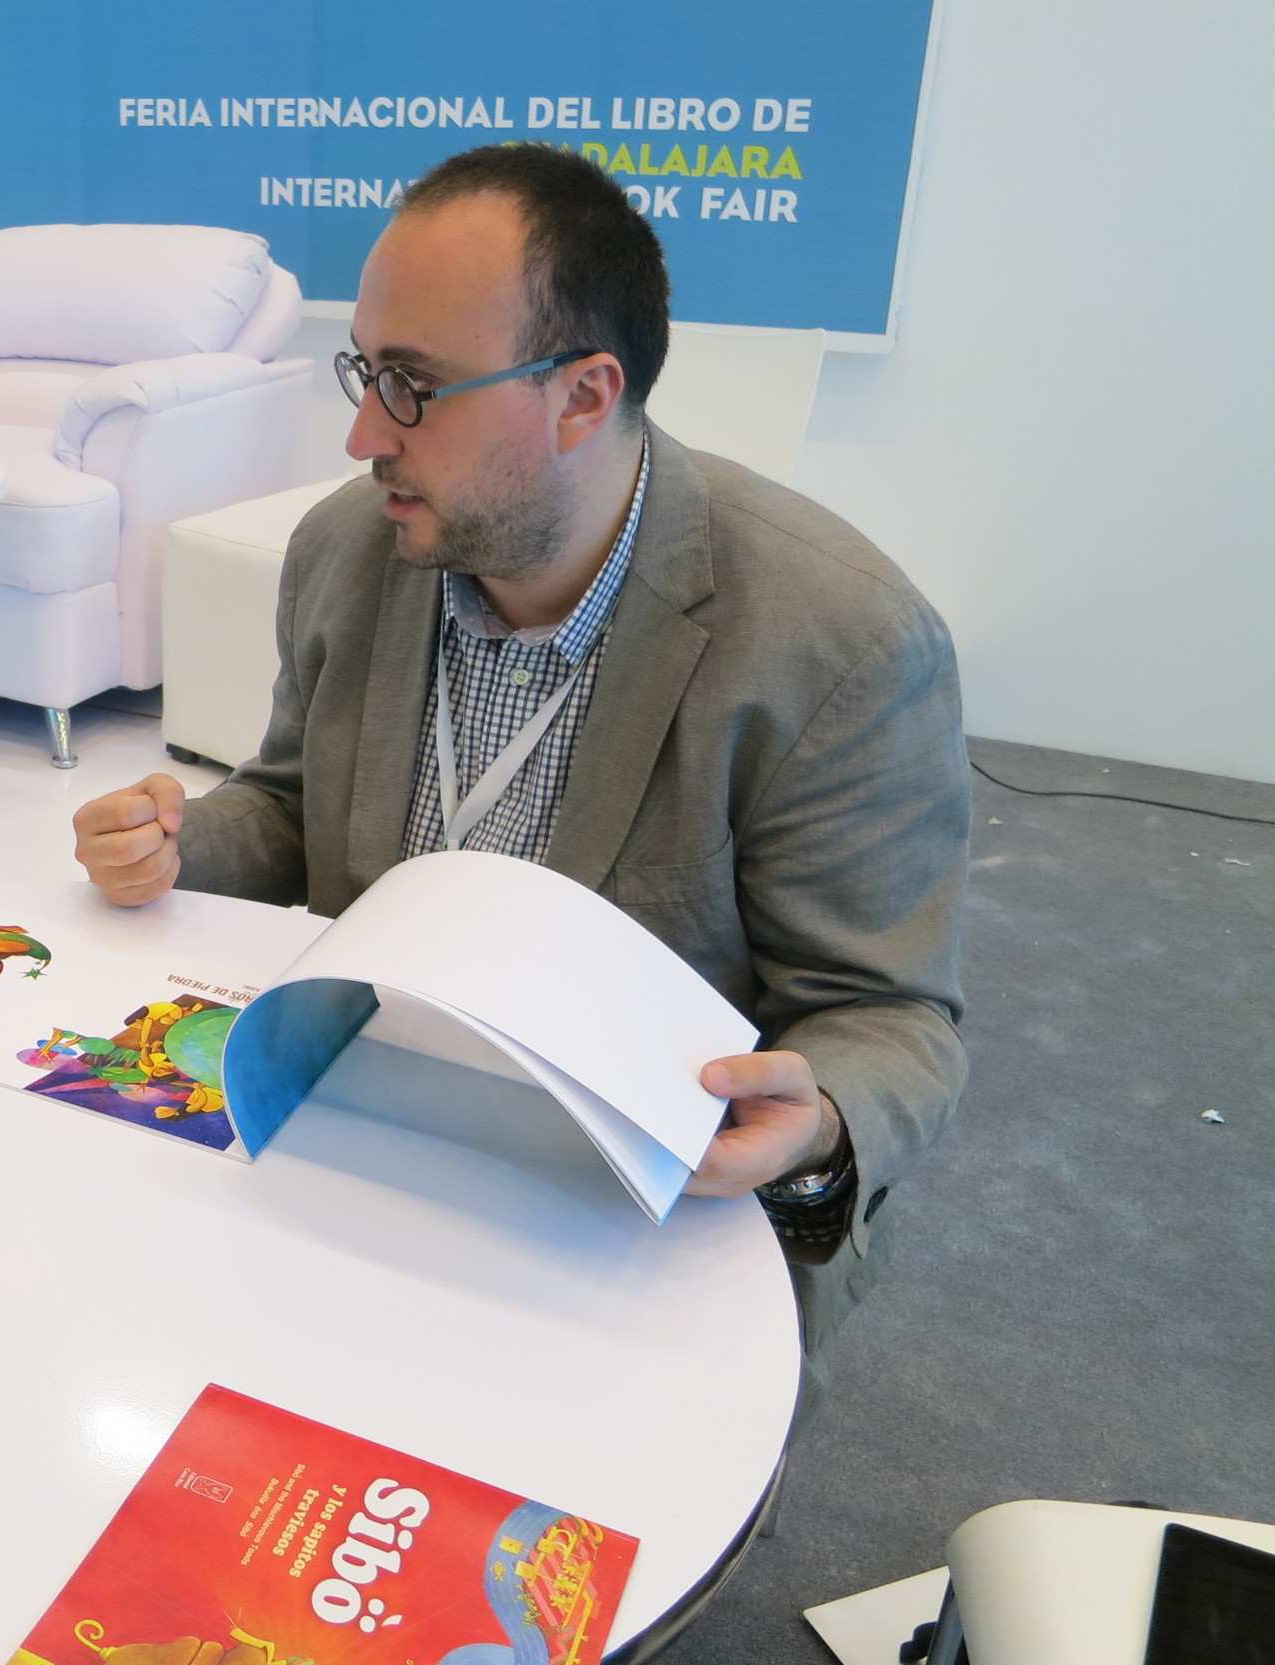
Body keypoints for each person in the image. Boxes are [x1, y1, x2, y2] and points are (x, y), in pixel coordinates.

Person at [72, 146, 968, 1368]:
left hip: (627, 1207)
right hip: (365, 1116)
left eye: (411, 386)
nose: (357, 436)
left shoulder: (840, 643)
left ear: (583, 397)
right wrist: (181, 841)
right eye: (363, 371)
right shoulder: (351, 552)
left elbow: (889, 1015)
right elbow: (290, 803)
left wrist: (814, 1127)